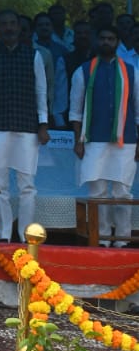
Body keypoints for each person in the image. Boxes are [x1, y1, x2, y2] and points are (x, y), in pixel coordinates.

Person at [0, 9, 49, 242]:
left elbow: (41, 91)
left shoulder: (33, 55)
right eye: (4, 24)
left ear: (19, 27)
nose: (8, 28)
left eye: (12, 24)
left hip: (27, 126)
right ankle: (3, 234)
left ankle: (27, 235)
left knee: (27, 185)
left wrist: (43, 123)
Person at [70, 25, 139, 247]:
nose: (107, 42)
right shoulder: (83, 71)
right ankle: (100, 238)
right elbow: (76, 110)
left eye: (111, 38)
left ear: (118, 42)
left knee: (122, 192)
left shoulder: (131, 71)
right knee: (98, 191)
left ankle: (122, 240)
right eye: (103, 38)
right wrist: (78, 139)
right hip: (93, 139)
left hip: (125, 139)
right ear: (96, 40)